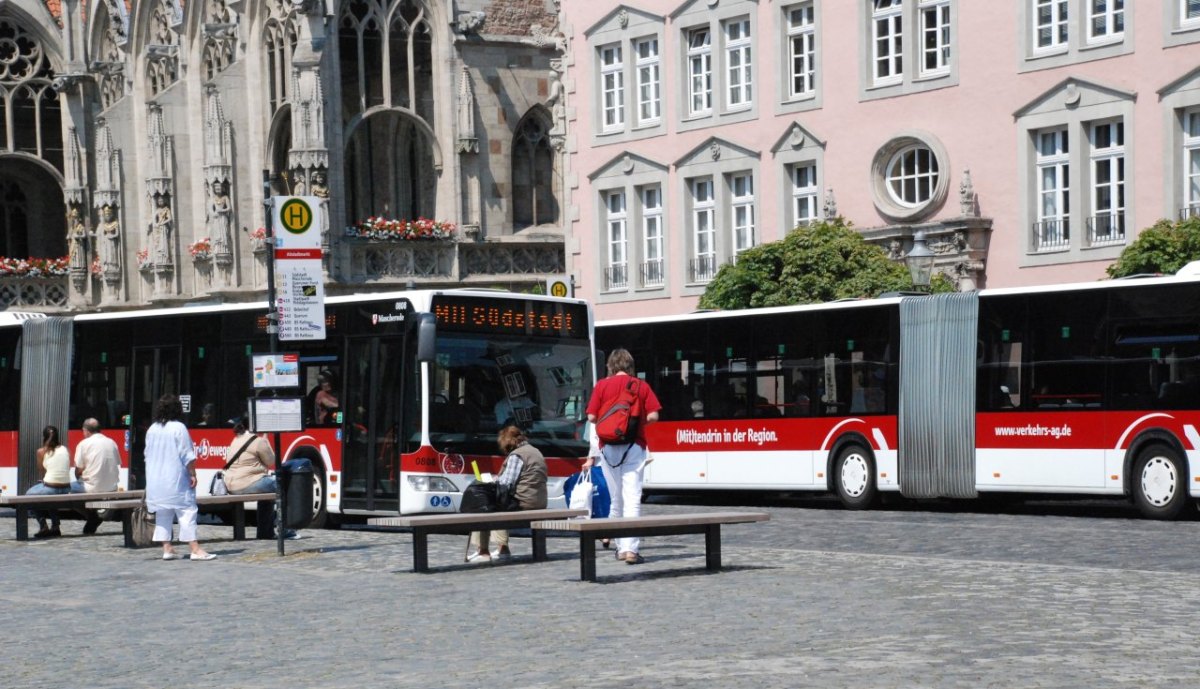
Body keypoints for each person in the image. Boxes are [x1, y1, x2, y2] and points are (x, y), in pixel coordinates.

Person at [583, 348, 662, 565]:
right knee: (632, 498)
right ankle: (631, 550)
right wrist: (634, 423)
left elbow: (591, 416)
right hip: (634, 446)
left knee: (616, 497)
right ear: (630, 366)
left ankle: (619, 548)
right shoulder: (641, 386)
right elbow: (654, 415)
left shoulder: (601, 385)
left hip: (607, 447)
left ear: (611, 365)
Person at [144, 394, 215, 561]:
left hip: (155, 479)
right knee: (187, 511)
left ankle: (167, 548)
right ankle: (195, 549)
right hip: (175, 478)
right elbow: (187, 454)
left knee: (163, 513)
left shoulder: (152, 429)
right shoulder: (179, 428)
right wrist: (193, 473)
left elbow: (146, 454)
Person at [465, 425, 547, 564]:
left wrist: (492, 479)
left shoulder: (517, 455)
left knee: (485, 506)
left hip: (524, 501)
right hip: (539, 500)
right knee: (499, 504)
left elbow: (506, 483)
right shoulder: (536, 451)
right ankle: (501, 548)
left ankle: (484, 550)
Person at [223, 417, 299, 539]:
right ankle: (285, 528)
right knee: (283, 484)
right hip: (247, 482)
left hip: (231, 484)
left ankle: (265, 532)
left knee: (267, 491)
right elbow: (271, 461)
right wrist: (266, 440)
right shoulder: (258, 441)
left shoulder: (237, 439)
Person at [71, 418, 121, 535]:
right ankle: (93, 516)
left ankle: (92, 515)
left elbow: (78, 470)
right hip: (112, 487)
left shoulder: (84, 444)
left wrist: (80, 477)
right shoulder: (112, 442)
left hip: (91, 487)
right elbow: (116, 464)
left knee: (64, 491)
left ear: (86, 430)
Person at [26, 425, 71, 539]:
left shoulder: (41, 451)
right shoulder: (65, 449)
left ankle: (43, 526)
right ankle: (55, 527)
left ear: (44, 437)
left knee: (27, 497)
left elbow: (42, 471)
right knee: (51, 497)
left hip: (51, 487)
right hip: (66, 488)